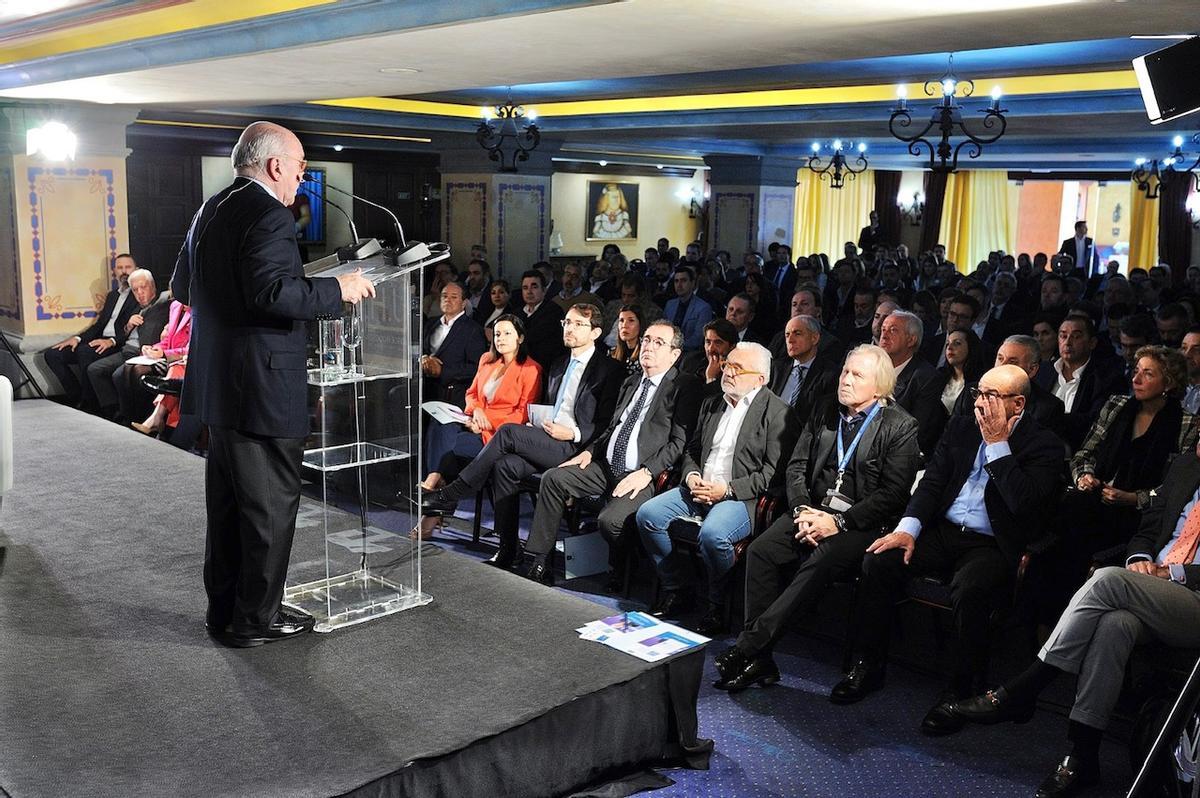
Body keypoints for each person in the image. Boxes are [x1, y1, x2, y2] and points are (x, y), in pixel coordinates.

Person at [171, 121, 375, 648]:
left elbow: (181, 286)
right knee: (268, 508)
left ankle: (226, 610)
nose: (303, 176)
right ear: (275, 166)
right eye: (301, 165)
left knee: (230, 506)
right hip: (260, 387)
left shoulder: (211, 208)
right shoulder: (267, 213)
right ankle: (253, 621)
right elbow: (272, 295)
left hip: (219, 383)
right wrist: (338, 289)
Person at [952, 439, 1200, 797]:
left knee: (1106, 579)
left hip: (1192, 597)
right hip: (1150, 583)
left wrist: (1170, 574)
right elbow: (1147, 528)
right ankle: (1082, 756)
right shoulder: (1184, 466)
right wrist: (1139, 560)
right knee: (1116, 624)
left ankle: (1027, 686)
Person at [835, 365, 1065, 736]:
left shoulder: (1045, 445)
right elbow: (933, 483)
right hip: (942, 530)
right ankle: (868, 666)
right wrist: (908, 529)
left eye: (992, 396)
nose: (980, 402)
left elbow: (1025, 506)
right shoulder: (960, 426)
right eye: (979, 392)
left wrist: (997, 446)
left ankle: (959, 691)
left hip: (992, 542)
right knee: (880, 559)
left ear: (1018, 404)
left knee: (972, 589)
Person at [714, 345, 919, 692]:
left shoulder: (900, 426)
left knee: (821, 559)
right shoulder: (825, 409)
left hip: (860, 524)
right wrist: (801, 511)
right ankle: (761, 661)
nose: (846, 380)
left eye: (857, 375)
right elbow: (796, 467)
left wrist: (837, 523)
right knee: (761, 551)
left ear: (880, 386)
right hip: (811, 511)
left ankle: (749, 647)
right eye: (844, 372)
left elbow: (893, 494)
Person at [423, 303, 623, 568]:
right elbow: (547, 407)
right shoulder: (560, 364)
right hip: (548, 437)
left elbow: (606, 423)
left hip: (577, 447)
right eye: (567, 322)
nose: (569, 329)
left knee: (506, 433)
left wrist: (573, 432)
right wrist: (538, 422)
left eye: (577, 324)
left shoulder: (609, 369)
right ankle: (509, 550)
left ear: (596, 333)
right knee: (504, 466)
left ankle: (450, 494)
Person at [523, 321, 702, 587]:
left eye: (658, 342)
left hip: (642, 473)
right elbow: (612, 427)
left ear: (675, 354)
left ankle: (625, 565)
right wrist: (590, 451)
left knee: (610, 521)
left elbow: (678, 442)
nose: (648, 347)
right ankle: (539, 560)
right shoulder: (631, 381)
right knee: (553, 478)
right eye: (646, 339)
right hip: (606, 464)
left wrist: (647, 472)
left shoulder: (684, 386)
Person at [635, 342, 795, 634]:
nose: (728, 372)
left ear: (760, 379)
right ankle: (678, 588)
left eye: (737, 368)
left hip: (740, 497)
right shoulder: (712, 402)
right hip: (699, 488)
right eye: (727, 365)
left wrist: (728, 490)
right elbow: (693, 449)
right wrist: (692, 474)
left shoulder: (778, 412)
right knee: (648, 515)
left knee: (713, 535)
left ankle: (716, 604)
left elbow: (773, 475)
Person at [416, 314, 542, 539]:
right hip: (475, 423)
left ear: (520, 338)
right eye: (497, 334)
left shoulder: (531, 369)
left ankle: (433, 492)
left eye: (507, 333)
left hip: (501, 436)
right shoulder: (486, 359)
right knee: (442, 426)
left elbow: (522, 415)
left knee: (456, 449)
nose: (500, 338)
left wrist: (485, 422)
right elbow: (471, 394)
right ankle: (435, 486)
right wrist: (476, 411)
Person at [43, 254, 142, 411]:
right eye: (120, 267)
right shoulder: (112, 295)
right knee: (52, 354)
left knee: (84, 352)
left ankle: (89, 402)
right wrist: (77, 338)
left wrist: (112, 341)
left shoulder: (138, 295)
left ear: (136, 270)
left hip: (117, 343)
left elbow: (133, 329)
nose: (124, 271)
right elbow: (99, 325)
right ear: (115, 271)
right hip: (99, 339)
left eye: (128, 267)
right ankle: (76, 395)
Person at [420, 281, 487, 412]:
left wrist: (442, 371)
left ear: (463, 303)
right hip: (425, 388)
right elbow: (421, 350)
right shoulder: (431, 323)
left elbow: (477, 368)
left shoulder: (473, 329)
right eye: (444, 296)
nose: (447, 300)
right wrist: (424, 359)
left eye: (454, 297)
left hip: (453, 393)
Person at [128, 299, 192, 435]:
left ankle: (157, 419)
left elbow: (192, 348)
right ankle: (143, 418)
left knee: (175, 369)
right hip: (170, 358)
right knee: (134, 369)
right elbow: (168, 339)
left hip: (183, 360)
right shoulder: (175, 306)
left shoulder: (200, 309)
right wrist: (154, 348)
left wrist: (164, 354)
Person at [768, 315, 838, 427]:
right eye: (787, 335)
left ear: (814, 338)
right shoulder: (776, 368)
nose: (790, 340)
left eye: (797, 333)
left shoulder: (830, 374)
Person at [517, 269, 567, 368]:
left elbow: (533, 336)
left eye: (534, 287)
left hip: (544, 366)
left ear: (544, 290)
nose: (529, 292)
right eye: (525, 288)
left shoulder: (554, 311)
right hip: (520, 364)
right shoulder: (517, 313)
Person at [663, 266, 714, 351]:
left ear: (692, 283)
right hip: (666, 350)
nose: (679, 285)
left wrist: (673, 347)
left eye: (683, 280)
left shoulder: (704, 308)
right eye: (676, 281)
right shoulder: (670, 304)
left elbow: (698, 339)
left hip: (689, 355)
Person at [611, 304, 646, 378]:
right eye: (621, 320)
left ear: (640, 325)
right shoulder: (612, 353)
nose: (624, 325)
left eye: (631, 320)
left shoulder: (645, 355)